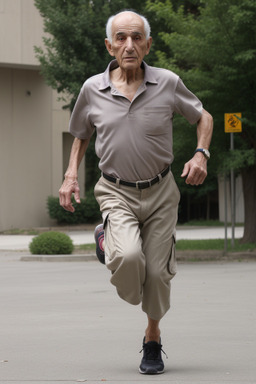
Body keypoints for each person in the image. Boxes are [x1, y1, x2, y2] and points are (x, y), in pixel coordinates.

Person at [59, 10, 213, 375]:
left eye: (137, 37)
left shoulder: (169, 83)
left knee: (157, 276)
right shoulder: (92, 89)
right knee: (129, 259)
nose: (130, 45)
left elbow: (203, 117)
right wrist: (70, 176)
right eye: (122, 38)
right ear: (110, 45)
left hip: (161, 191)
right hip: (115, 190)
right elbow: (82, 134)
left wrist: (201, 153)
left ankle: (152, 339)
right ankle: (108, 239)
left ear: (147, 44)